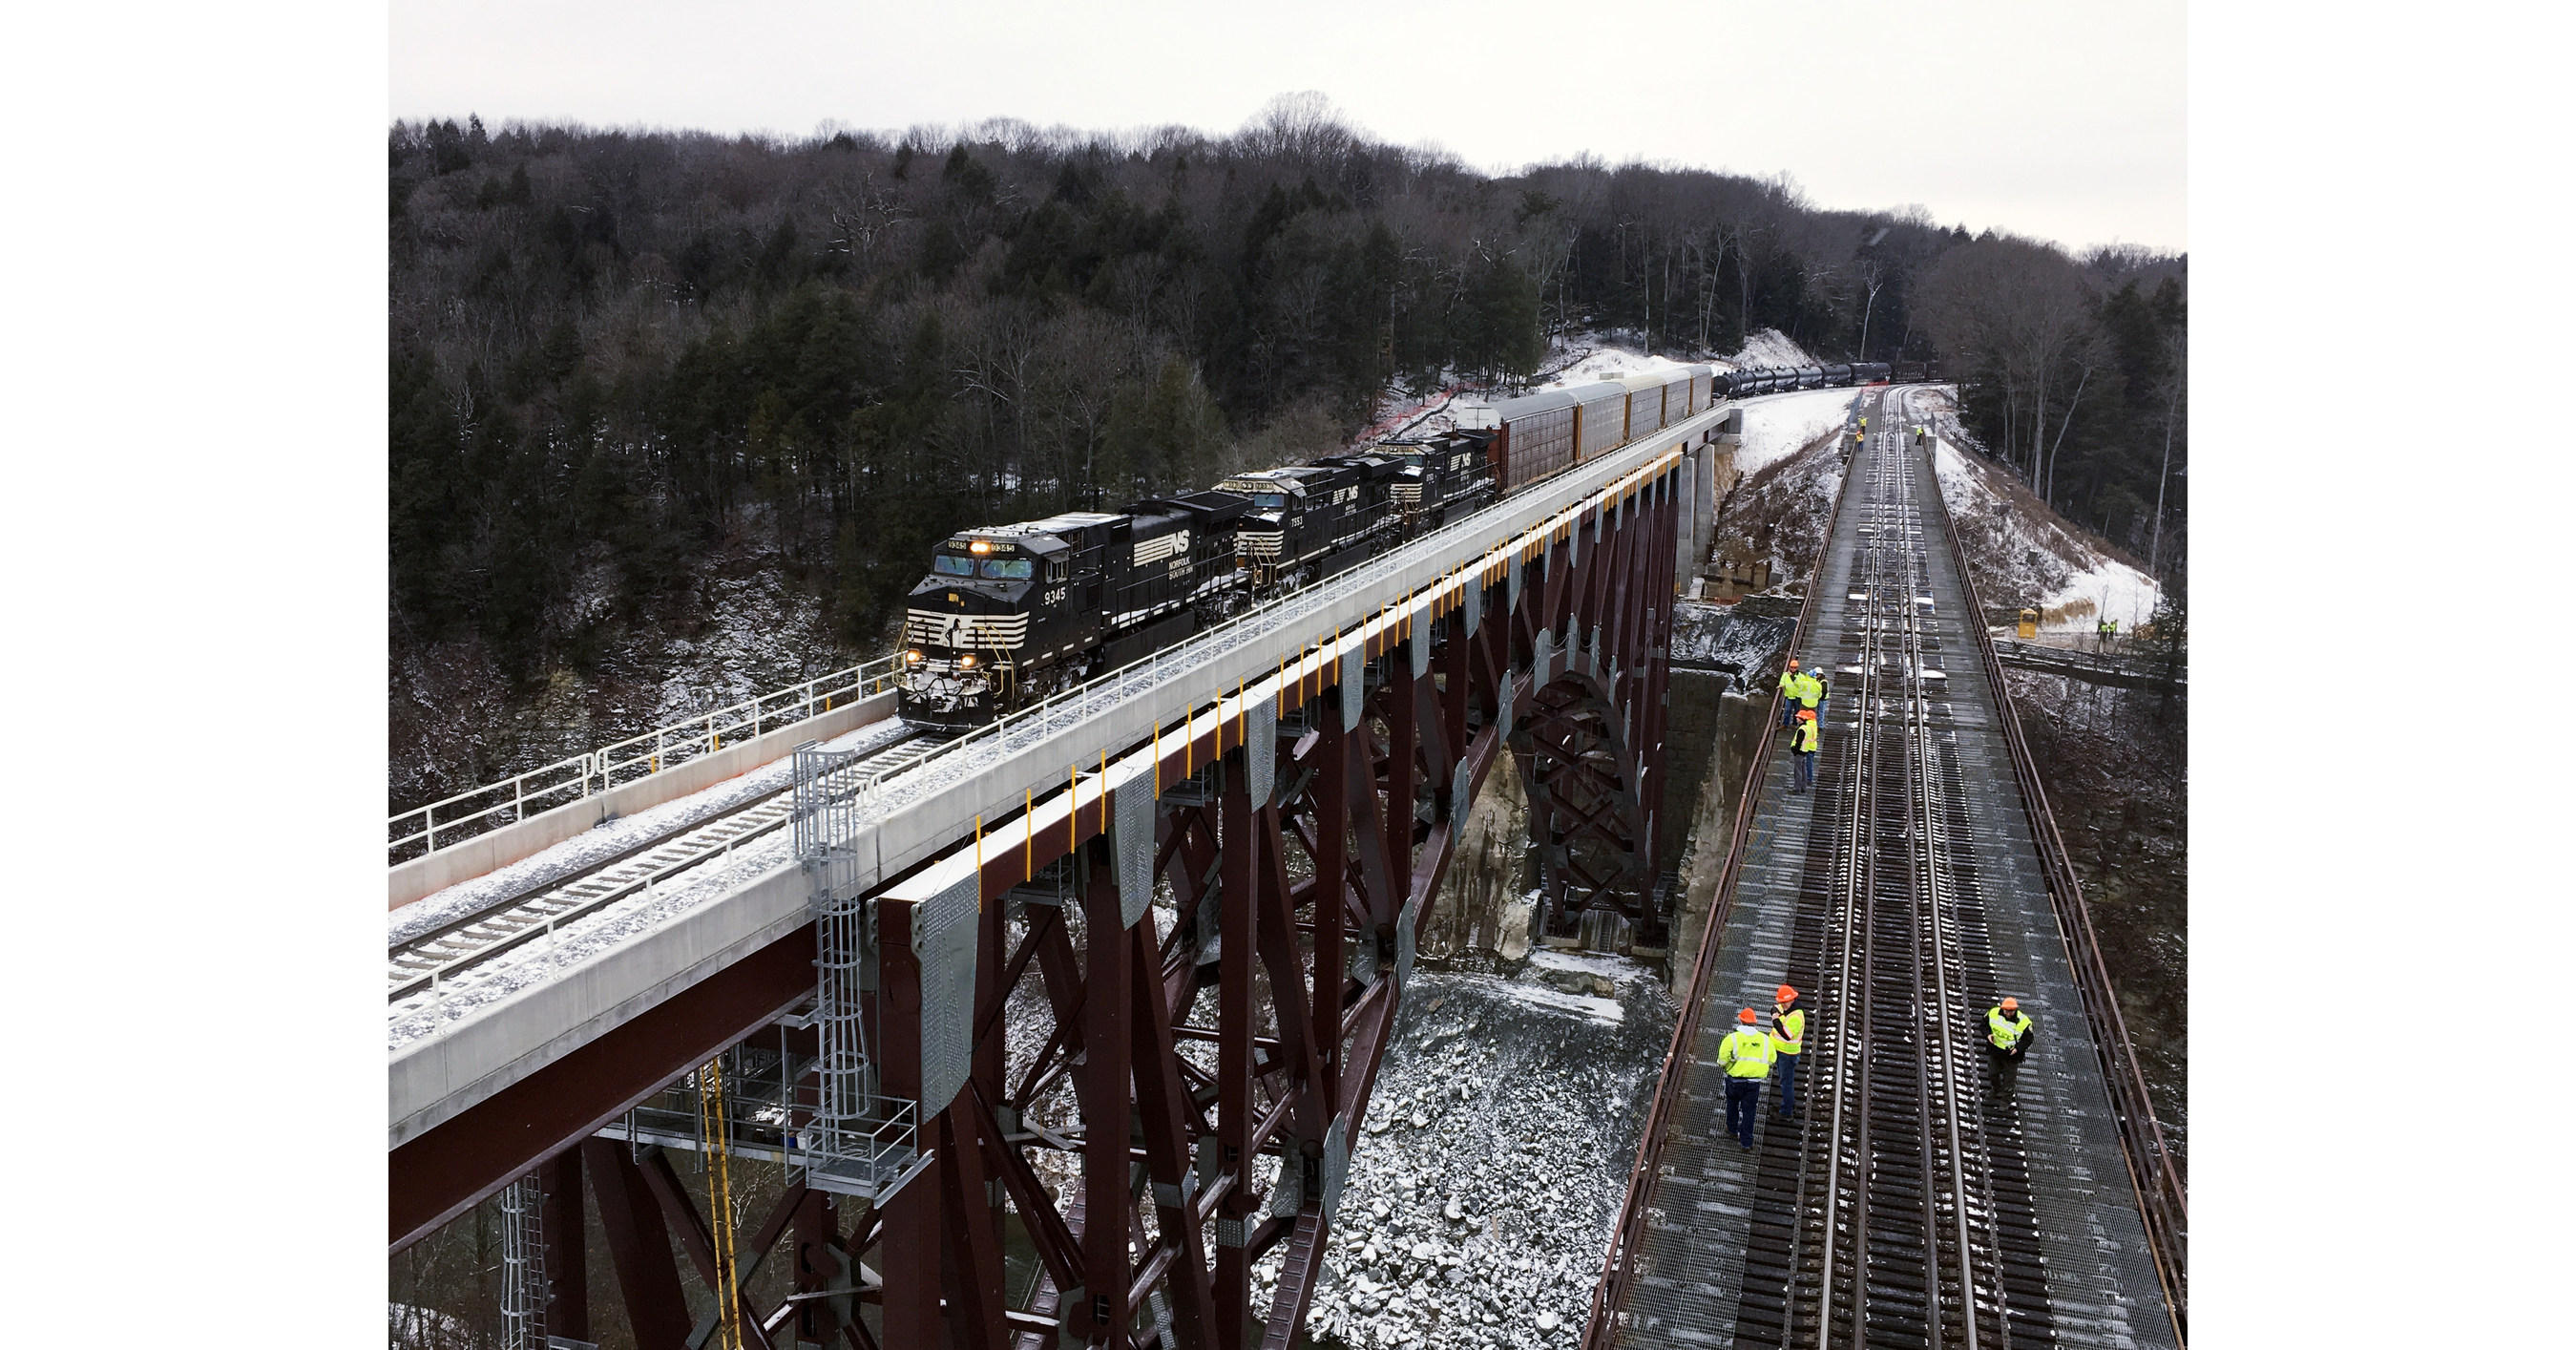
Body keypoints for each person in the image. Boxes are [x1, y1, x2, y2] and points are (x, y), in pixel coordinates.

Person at [1718, 1007, 1776, 1149]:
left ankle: (1732, 1129)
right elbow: (1772, 1059)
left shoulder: (1732, 1038)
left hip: (1735, 1080)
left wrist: (1729, 1066)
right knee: (1749, 1111)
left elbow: (1722, 1060)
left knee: (1732, 1105)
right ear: (1755, 1023)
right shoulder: (1765, 1039)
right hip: (1754, 1082)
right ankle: (1746, 1142)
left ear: (1741, 1021)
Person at [1770, 985, 1805, 1118]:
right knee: (1785, 1080)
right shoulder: (1788, 1007)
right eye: (1781, 1002)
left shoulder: (1796, 1017)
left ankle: (1786, 1112)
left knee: (1786, 1083)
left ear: (1792, 1000)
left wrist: (1775, 1020)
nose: (1782, 1005)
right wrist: (1775, 1012)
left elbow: (1787, 1035)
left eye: (1784, 1002)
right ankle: (1789, 1104)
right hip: (1782, 1052)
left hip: (1787, 1055)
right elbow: (1775, 1008)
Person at [1987, 996, 2036, 1074]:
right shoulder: (1993, 1013)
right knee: (1992, 1074)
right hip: (1995, 1050)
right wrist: (1988, 1034)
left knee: (2010, 1078)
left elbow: (2028, 1039)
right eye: (2006, 1011)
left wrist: (2017, 1049)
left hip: (2012, 1054)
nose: (2009, 1014)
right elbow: (1984, 1025)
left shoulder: (2023, 1021)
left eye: (2011, 1011)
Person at [1791, 708, 1820, 792]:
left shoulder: (1802, 729)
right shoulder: (1809, 727)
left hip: (1799, 751)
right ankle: (1803, 787)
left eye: (1798, 717)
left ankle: (1797, 788)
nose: (1796, 719)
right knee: (1803, 770)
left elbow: (1799, 741)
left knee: (1798, 771)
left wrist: (1794, 750)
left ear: (1802, 719)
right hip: (1805, 750)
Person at [1775, 658, 1803, 728]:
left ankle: (1795, 724)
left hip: (1797, 696)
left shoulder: (1801, 676)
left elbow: (1801, 685)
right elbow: (1782, 681)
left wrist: (1792, 677)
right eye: (1792, 667)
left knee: (1797, 711)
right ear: (1789, 667)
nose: (1793, 669)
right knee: (1787, 711)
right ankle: (1785, 724)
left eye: (1795, 667)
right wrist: (1781, 685)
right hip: (1789, 696)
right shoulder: (1785, 675)